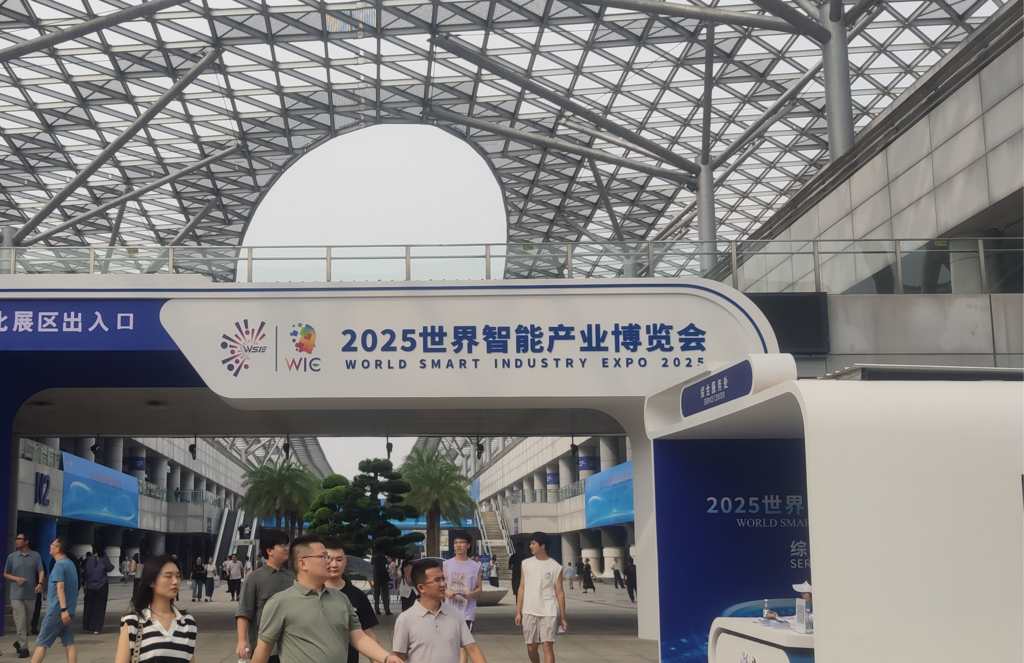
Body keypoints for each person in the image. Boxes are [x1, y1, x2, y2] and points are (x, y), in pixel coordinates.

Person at [250, 535, 400, 663]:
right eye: (324, 556)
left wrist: (386, 657)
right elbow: (263, 649)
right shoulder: (280, 602)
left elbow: (359, 637)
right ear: (302, 563)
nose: (330, 562)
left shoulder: (341, 599)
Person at [392, 559, 488, 663]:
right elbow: (398, 658)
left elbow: (473, 650)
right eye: (437, 580)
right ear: (421, 588)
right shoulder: (405, 619)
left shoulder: (455, 614)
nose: (443, 584)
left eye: (443, 579)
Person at [114, 554, 197, 663]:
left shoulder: (187, 622)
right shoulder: (133, 622)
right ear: (151, 581)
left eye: (178, 576)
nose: (175, 581)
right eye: (168, 576)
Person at [236, 530, 293, 663]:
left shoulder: (293, 578)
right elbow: (244, 611)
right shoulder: (254, 578)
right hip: (266, 650)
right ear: (269, 551)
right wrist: (242, 641)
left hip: (291, 649)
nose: (286, 548)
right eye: (282, 545)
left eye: (287, 545)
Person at [324, 538, 380, 663]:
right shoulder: (310, 593)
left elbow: (368, 634)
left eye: (339, 560)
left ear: (345, 561)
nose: (334, 565)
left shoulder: (357, 596)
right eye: (329, 559)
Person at [515, 532, 567, 663]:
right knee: (531, 647)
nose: (530, 546)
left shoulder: (555, 566)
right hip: (529, 610)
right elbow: (521, 587)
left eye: (533, 543)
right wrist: (518, 611)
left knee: (547, 645)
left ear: (542, 546)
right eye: (530, 543)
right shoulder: (526, 564)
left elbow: (560, 592)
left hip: (548, 611)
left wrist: (563, 617)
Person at [30, 537, 78, 663]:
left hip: (58, 611)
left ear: (58, 549)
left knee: (42, 643)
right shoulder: (70, 563)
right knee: (69, 643)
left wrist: (63, 609)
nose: (50, 546)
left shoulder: (59, 565)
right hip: (69, 611)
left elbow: (60, 587)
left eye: (52, 544)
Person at [443, 531, 483, 663]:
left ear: (468, 545)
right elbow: (442, 585)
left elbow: (479, 589)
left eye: (461, 542)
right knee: (449, 642)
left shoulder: (475, 566)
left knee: (463, 645)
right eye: (456, 542)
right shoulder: (447, 564)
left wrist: (470, 594)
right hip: (449, 610)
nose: (458, 545)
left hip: (466, 612)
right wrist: (446, 592)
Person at [5, 532, 45, 658]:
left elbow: (41, 571)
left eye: (19, 539)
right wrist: (16, 579)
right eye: (16, 539)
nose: (16, 540)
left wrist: (40, 583)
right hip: (16, 595)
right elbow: (6, 573)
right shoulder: (12, 557)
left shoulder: (35, 556)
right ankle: (24, 648)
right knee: (20, 621)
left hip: (31, 594)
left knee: (27, 622)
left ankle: (18, 642)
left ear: (26, 541)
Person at [81, 546, 114, 634]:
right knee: (99, 606)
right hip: (102, 584)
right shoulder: (104, 558)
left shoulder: (89, 559)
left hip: (90, 585)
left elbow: (85, 571)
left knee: (89, 606)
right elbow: (110, 568)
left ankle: (88, 625)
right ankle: (96, 627)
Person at [371, 550, 392, 616]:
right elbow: (386, 564)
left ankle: (377, 610)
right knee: (385, 594)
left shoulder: (374, 558)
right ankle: (387, 610)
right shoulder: (384, 558)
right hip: (383, 576)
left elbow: (372, 565)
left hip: (376, 577)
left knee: (376, 594)